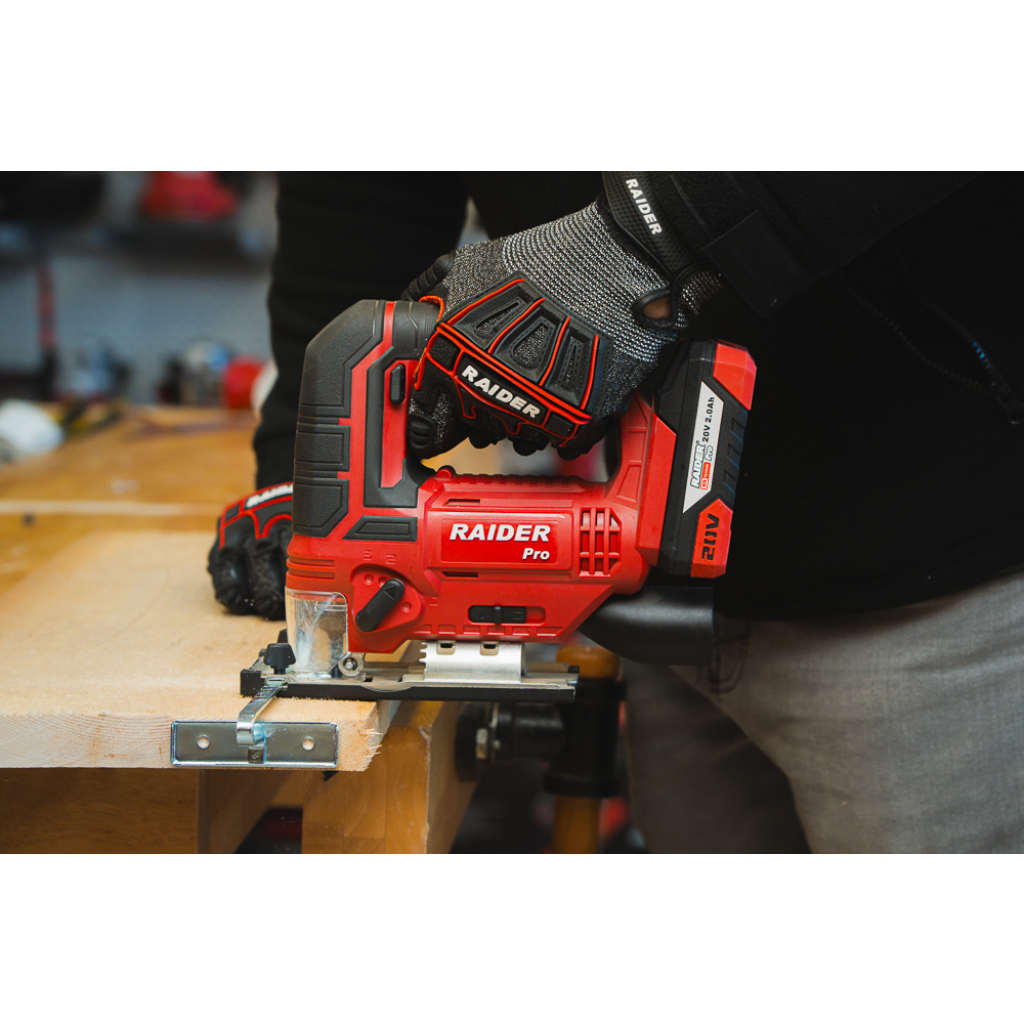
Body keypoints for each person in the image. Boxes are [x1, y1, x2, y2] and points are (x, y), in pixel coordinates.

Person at [211, 171, 1024, 853]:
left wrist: (641, 242)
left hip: (947, 595)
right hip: (663, 604)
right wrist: (304, 472)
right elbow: (363, 191)